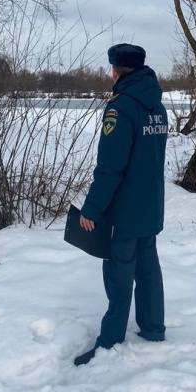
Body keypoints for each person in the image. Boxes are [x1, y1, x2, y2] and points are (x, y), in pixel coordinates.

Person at [73, 43, 168, 366]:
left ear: (117, 70)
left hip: (126, 210)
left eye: (111, 69)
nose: (109, 74)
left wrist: (92, 209)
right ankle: (153, 329)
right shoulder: (157, 107)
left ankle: (110, 340)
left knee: (118, 272)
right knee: (149, 269)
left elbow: (111, 167)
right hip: (152, 206)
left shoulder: (120, 109)